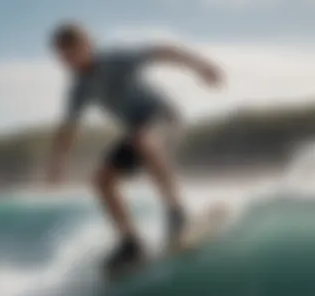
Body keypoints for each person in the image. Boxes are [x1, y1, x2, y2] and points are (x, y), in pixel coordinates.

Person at [47, 22, 223, 274]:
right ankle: (131, 243)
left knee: (143, 140)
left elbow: (163, 51)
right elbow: (68, 127)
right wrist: (57, 163)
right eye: (63, 56)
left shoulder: (116, 60)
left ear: (88, 45)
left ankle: (177, 213)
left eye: (73, 52)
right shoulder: (78, 88)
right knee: (101, 181)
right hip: (137, 130)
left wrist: (201, 67)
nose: (69, 60)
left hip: (164, 117)